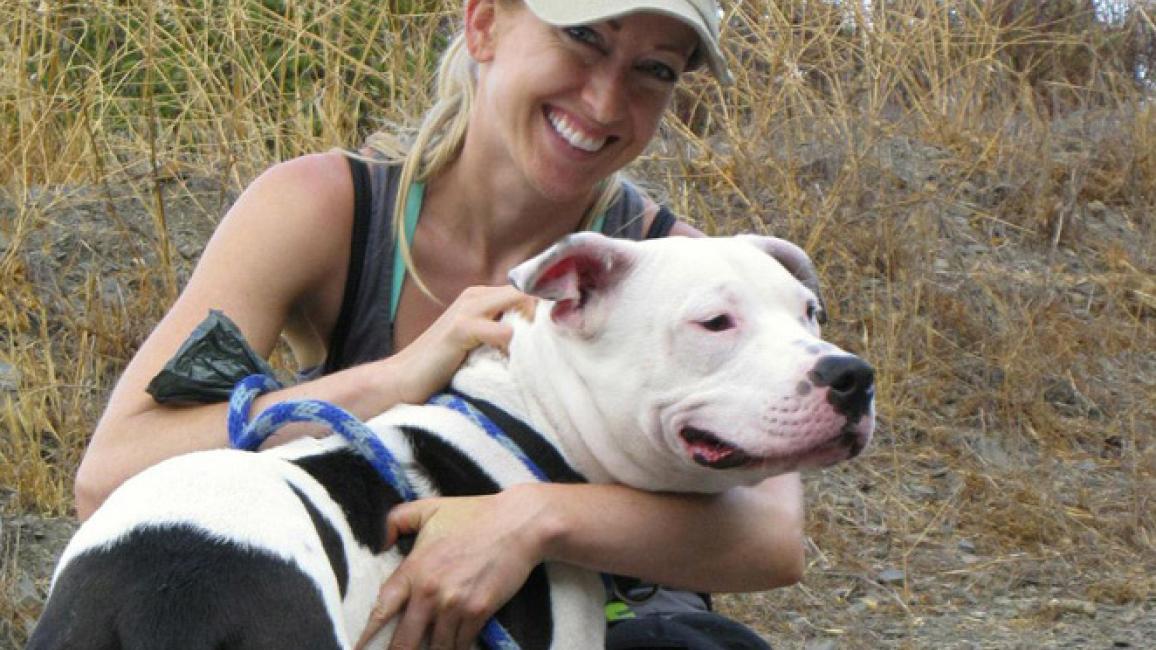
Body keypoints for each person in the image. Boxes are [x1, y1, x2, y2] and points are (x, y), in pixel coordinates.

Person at [74, 1, 807, 648]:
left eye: (655, 69)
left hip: (617, 613)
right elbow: (109, 477)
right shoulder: (327, 208)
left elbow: (775, 539)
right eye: (583, 37)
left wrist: (528, 522)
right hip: (357, 598)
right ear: (483, 23)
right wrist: (395, 377)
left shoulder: (679, 274)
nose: (606, 100)